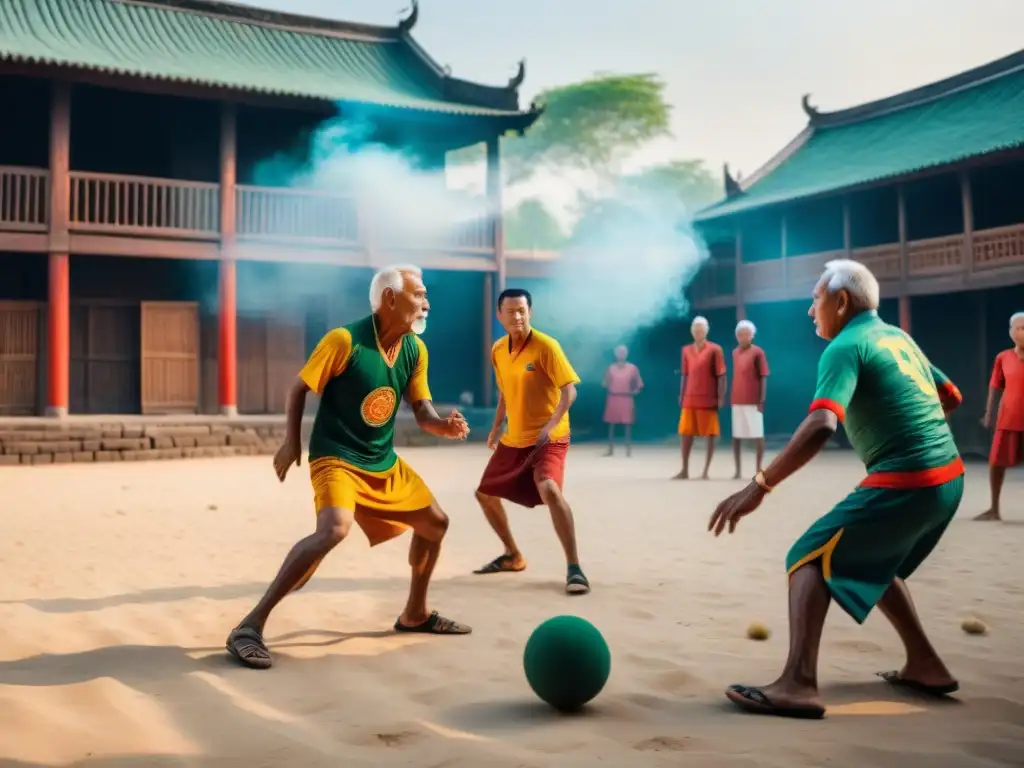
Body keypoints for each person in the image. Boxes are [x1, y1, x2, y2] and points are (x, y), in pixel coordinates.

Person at [708, 260, 965, 720]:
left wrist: (759, 485)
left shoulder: (844, 346)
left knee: (807, 556)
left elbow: (822, 423)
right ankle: (926, 664)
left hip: (908, 479)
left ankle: (798, 684)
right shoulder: (896, 336)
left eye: (815, 299)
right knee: (876, 556)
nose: (811, 310)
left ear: (841, 301)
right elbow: (950, 396)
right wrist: (910, 440)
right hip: (950, 478)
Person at [225, 265, 472, 669]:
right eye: (419, 295)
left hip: (381, 459)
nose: (426, 303)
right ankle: (249, 627)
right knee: (334, 529)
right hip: (336, 456)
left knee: (436, 524)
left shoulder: (414, 348)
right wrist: (292, 442)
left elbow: (421, 408)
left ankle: (415, 614)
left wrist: (441, 424)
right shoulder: (344, 340)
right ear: (390, 299)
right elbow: (299, 388)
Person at [472, 288, 590, 595]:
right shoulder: (498, 349)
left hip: (550, 436)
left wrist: (551, 426)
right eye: (510, 311)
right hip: (515, 438)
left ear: (530, 312)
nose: (517, 316)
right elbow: (504, 393)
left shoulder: (546, 346)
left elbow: (570, 391)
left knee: (549, 488)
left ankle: (574, 568)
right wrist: (496, 427)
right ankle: (512, 555)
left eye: (522, 310)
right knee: (484, 494)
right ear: (500, 316)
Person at [975, 311, 1024, 522]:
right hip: (1008, 418)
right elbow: (994, 387)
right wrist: (989, 413)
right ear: (1012, 332)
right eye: (1020, 328)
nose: (1023, 332)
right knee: (996, 463)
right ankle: (994, 509)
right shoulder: (1003, 357)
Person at [675, 315, 726, 479]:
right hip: (690, 397)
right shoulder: (686, 350)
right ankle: (684, 470)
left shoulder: (715, 349)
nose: (698, 332)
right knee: (685, 433)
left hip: (708, 398)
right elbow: (684, 375)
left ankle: (705, 471)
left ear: (706, 331)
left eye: (701, 330)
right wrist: (681, 394)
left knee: (710, 434)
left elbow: (721, 375)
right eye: (696, 330)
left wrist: (720, 397)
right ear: (692, 332)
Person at [730, 320, 770, 479]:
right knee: (736, 436)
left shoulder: (758, 352)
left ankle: (758, 469)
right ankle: (738, 471)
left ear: (752, 335)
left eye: (746, 334)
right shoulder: (734, 353)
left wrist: (762, 400)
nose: (742, 337)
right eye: (740, 334)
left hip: (753, 401)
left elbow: (763, 376)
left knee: (758, 435)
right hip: (737, 399)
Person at [602, 344, 644, 457]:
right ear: (616, 354)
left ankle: (628, 449)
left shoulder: (632, 368)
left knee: (628, 424)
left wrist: (634, 391)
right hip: (613, 397)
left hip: (626, 398)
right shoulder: (611, 368)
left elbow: (639, 384)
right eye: (619, 352)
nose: (621, 354)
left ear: (626, 354)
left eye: (623, 352)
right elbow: (605, 383)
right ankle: (610, 449)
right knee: (611, 424)